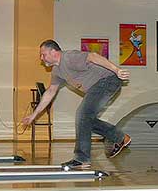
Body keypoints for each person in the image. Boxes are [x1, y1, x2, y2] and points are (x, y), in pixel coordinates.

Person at [22, 39, 131, 169]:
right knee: (85, 119)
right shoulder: (57, 71)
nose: (41, 58)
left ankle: (82, 159)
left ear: (53, 51)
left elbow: (93, 56)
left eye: (43, 54)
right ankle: (120, 138)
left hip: (108, 80)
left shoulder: (69, 58)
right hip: (98, 86)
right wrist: (34, 115)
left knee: (82, 115)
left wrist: (116, 70)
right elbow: (50, 92)